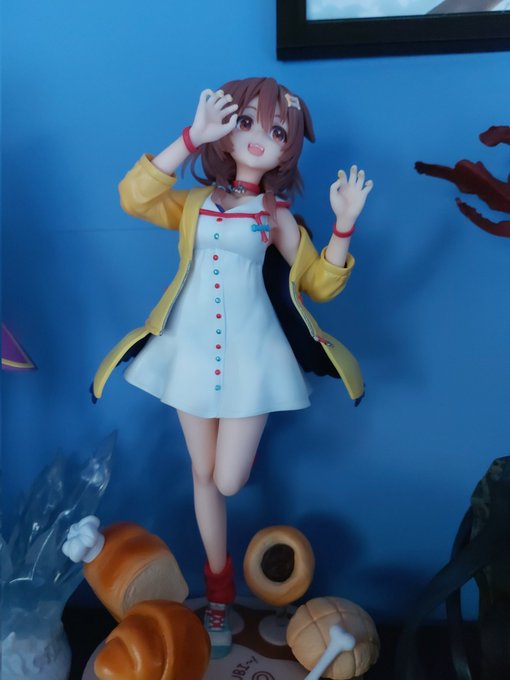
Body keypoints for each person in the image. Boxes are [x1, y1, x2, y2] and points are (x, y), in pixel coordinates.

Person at [93, 77, 373, 657]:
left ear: (286, 149)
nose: (258, 139)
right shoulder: (195, 204)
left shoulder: (277, 217)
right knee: (201, 474)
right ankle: (218, 593)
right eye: (246, 123)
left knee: (227, 480)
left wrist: (344, 225)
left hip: (252, 359)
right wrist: (189, 138)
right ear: (226, 131)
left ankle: (227, 584)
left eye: (276, 131)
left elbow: (319, 283)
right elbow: (134, 198)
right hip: (188, 353)